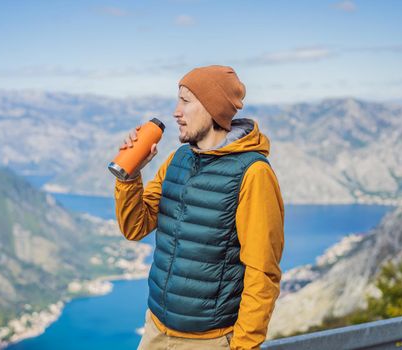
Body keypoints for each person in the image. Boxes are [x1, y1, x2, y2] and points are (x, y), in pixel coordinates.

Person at [114, 65, 285, 350]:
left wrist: (243, 347)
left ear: (212, 108)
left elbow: (262, 271)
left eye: (185, 100)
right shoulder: (177, 159)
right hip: (156, 329)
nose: (176, 111)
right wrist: (130, 177)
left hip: (210, 341)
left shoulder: (253, 173)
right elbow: (135, 227)